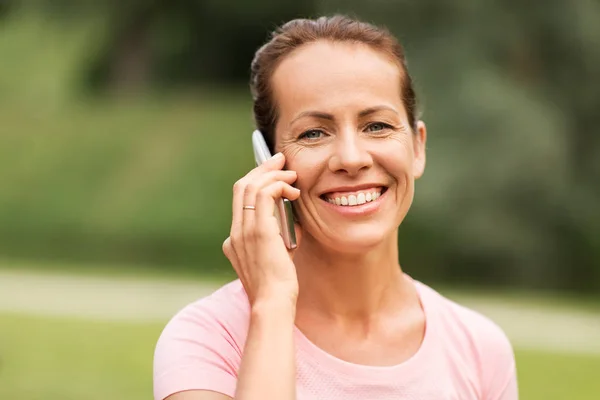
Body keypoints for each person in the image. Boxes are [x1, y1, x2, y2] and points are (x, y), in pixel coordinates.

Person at [153, 15, 518, 400]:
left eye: (376, 125)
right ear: (267, 162)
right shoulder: (209, 340)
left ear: (417, 147)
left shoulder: (480, 350)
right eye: (314, 133)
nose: (351, 157)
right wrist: (273, 306)